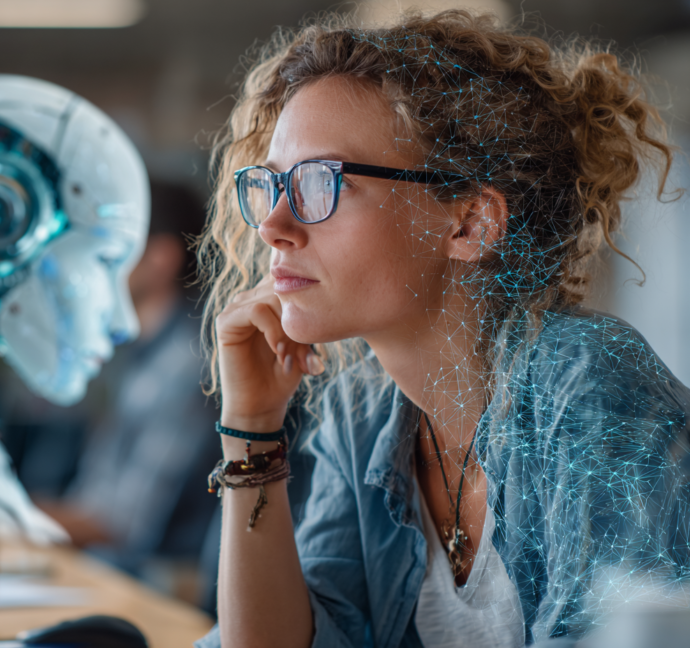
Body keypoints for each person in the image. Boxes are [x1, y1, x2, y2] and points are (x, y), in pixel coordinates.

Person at [194, 10, 689, 648]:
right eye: (272, 185)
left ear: (469, 225)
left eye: (321, 182)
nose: (272, 226)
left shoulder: (587, 385)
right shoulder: (361, 413)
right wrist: (252, 429)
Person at [38, 182, 221, 592]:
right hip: (113, 571)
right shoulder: (141, 353)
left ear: (160, 258)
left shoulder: (186, 364)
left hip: (159, 585)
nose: (92, 263)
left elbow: (122, 523)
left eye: (110, 248)